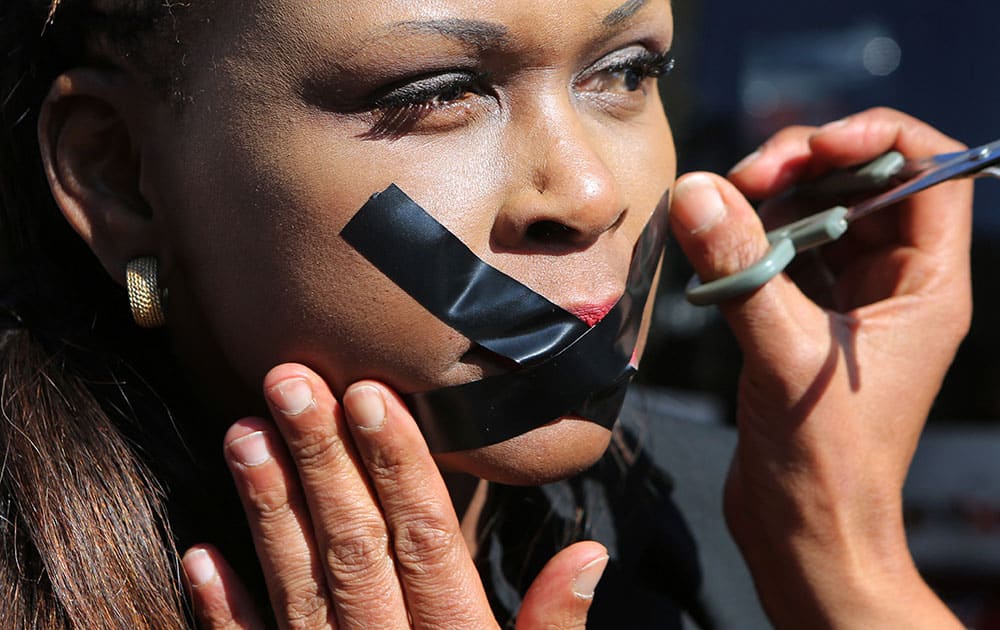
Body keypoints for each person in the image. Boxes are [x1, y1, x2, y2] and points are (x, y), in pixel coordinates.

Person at [0, 0, 972, 628]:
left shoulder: (718, 517)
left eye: (626, 71)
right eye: (436, 95)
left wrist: (844, 560)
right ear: (119, 171)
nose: (590, 192)